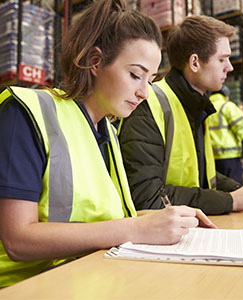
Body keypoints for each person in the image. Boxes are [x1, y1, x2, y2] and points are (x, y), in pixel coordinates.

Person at [0, 0, 215, 288]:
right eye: (135, 75)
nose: (144, 93)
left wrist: (163, 218)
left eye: (150, 80)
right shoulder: (26, 113)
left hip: (83, 278)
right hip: (27, 288)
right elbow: (18, 239)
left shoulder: (107, 132)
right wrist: (135, 227)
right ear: (95, 62)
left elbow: (101, 219)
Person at [119, 15, 243, 215]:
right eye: (222, 59)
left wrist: (241, 191)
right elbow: (147, 196)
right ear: (195, 62)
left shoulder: (196, 107)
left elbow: (202, 177)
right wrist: (230, 200)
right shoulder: (148, 106)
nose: (230, 67)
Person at [208, 85, 243, 185]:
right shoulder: (227, 106)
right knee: (235, 187)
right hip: (230, 156)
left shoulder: (205, 108)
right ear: (225, 95)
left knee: (218, 188)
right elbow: (242, 127)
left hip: (211, 158)